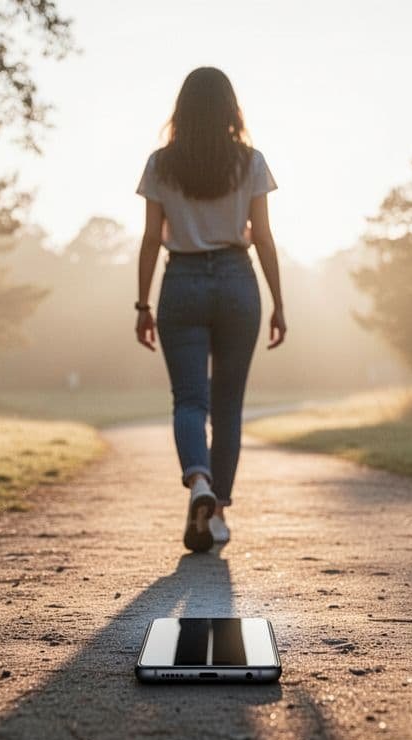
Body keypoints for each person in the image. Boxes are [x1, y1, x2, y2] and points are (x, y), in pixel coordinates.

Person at [134, 66, 286, 553]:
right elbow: (262, 237)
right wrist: (279, 302)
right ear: (229, 109)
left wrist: (142, 304)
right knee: (227, 406)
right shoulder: (251, 162)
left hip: (181, 281)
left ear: (182, 109)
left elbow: (150, 241)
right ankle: (216, 508)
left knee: (189, 401)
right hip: (238, 282)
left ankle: (198, 481)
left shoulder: (161, 164)